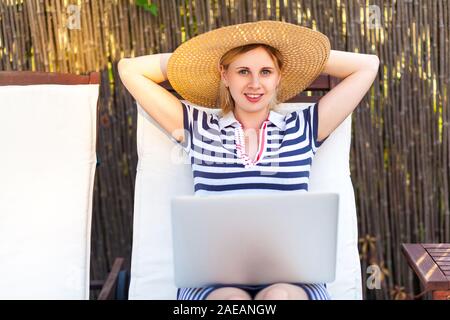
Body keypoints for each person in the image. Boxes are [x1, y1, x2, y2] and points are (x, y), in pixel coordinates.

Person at [118, 20, 379, 300]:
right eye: (243, 71)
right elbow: (128, 69)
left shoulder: (303, 127)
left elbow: (368, 65)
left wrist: (298, 54)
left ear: (279, 76)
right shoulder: (198, 127)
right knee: (231, 301)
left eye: (266, 71)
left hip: (293, 281)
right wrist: (196, 58)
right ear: (224, 74)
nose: (255, 84)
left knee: (279, 297)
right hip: (211, 283)